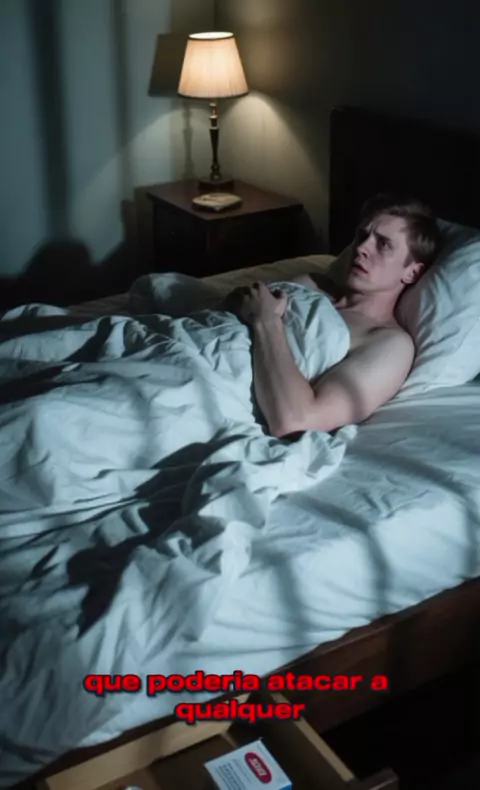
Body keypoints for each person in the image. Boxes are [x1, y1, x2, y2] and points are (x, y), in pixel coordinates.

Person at [227, 194, 441, 438]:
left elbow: (297, 422)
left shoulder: (390, 343)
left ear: (412, 272)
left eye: (383, 244)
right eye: (362, 236)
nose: (361, 248)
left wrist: (267, 321)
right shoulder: (310, 283)